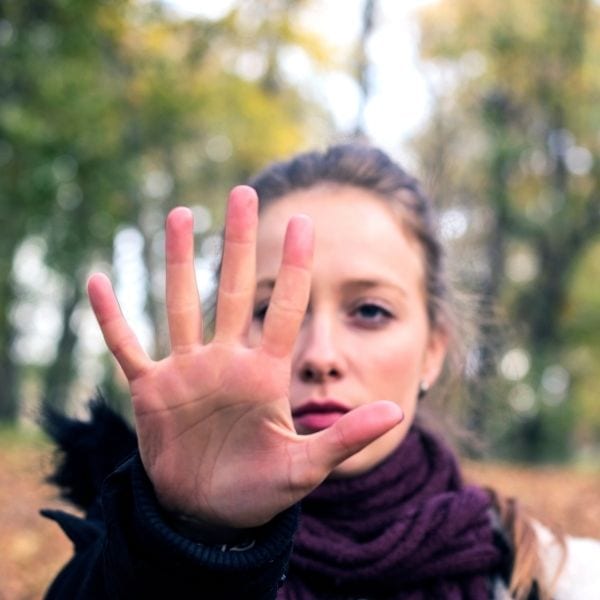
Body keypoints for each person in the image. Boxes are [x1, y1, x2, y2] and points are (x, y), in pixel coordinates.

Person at [42, 143, 600, 599]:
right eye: (271, 310)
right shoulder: (117, 563)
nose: (319, 356)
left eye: (370, 311)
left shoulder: (560, 580)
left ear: (434, 350)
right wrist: (193, 540)